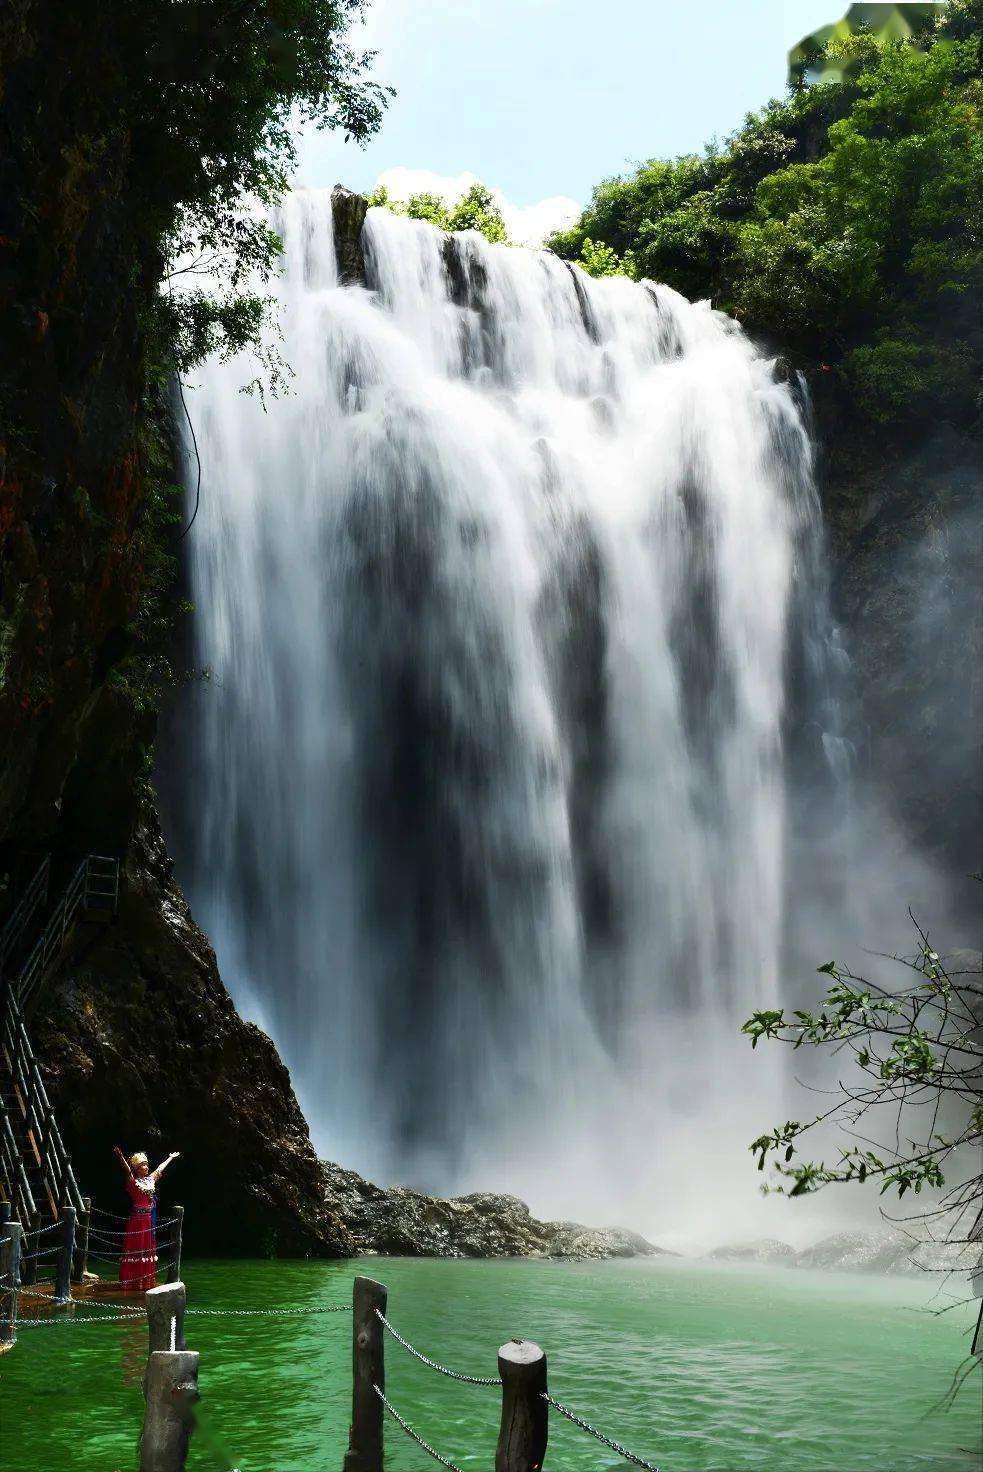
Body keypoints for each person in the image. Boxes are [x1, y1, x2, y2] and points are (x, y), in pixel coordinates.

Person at [113, 1144, 180, 1291]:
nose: (146, 1167)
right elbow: (127, 1169)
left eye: (147, 1165)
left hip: (148, 1220)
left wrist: (170, 1158)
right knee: (136, 1249)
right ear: (137, 1168)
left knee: (147, 1250)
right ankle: (131, 1283)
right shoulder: (133, 1181)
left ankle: (145, 1283)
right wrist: (121, 1157)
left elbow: (160, 1169)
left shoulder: (150, 1180)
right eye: (143, 1165)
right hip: (136, 1221)